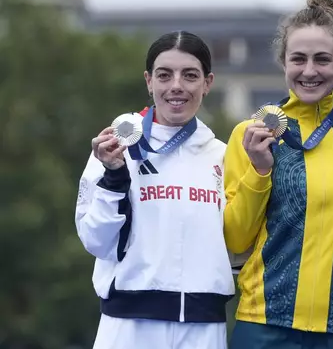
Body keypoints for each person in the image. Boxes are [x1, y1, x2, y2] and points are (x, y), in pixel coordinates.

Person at [223, 0, 333, 349]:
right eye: (299, 59)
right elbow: (235, 238)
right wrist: (260, 172)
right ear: (283, 63)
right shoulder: (251, 133)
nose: (309, 71)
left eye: (322, 59)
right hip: (265, 324)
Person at [75, 31, 234, 349]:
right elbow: (95, 241)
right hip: (129, 326)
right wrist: (114, 176)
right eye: (164, 75)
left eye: (190, 75)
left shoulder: (223, 156)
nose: (177, 86)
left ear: (207, 83)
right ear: (149, 81)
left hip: (203, 328)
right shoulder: (114, 147)